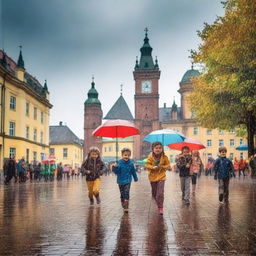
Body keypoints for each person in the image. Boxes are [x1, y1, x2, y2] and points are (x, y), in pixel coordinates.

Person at [146, 142, 170, 214]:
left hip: (161, 176)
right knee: (154, 193)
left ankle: (160, 207)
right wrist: (152, 167)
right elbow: (147, 164)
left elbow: (168, 165)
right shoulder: (150, 157)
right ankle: (157, 200)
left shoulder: (165, 157)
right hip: (152, 177)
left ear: (162, 149)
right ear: (153, 149)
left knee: (160, 193)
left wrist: (162, 167)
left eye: (160, 148)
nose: (158, 149)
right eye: (156, 148)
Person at [113, 148, 138, 213]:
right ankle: (122, 201)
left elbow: (133, 171)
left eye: (128, 155)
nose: (126, 156)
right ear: (122, 155)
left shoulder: (131, 163)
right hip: (120, 181)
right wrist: (114, 167)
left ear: (129, 156)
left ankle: (126, 203)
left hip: (128, 180)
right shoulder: (119, 162)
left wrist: (135, 178)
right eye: (125, 155)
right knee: (122, 194)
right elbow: (116, 172)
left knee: (126, 192)